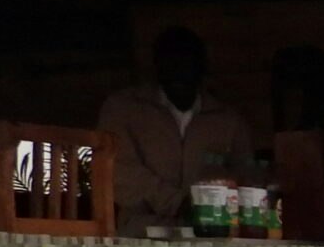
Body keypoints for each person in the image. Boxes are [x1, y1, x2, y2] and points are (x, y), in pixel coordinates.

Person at [95, 25, 257, 232]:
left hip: (215, 232)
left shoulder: (228, 120)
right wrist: (178, 203)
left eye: (187, 64)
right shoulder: (123, 109)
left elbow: (245, 175)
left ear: (202, 68)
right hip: (142, 233)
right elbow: (117, 172)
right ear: (156, 66)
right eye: (171, 64)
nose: (179, 72)